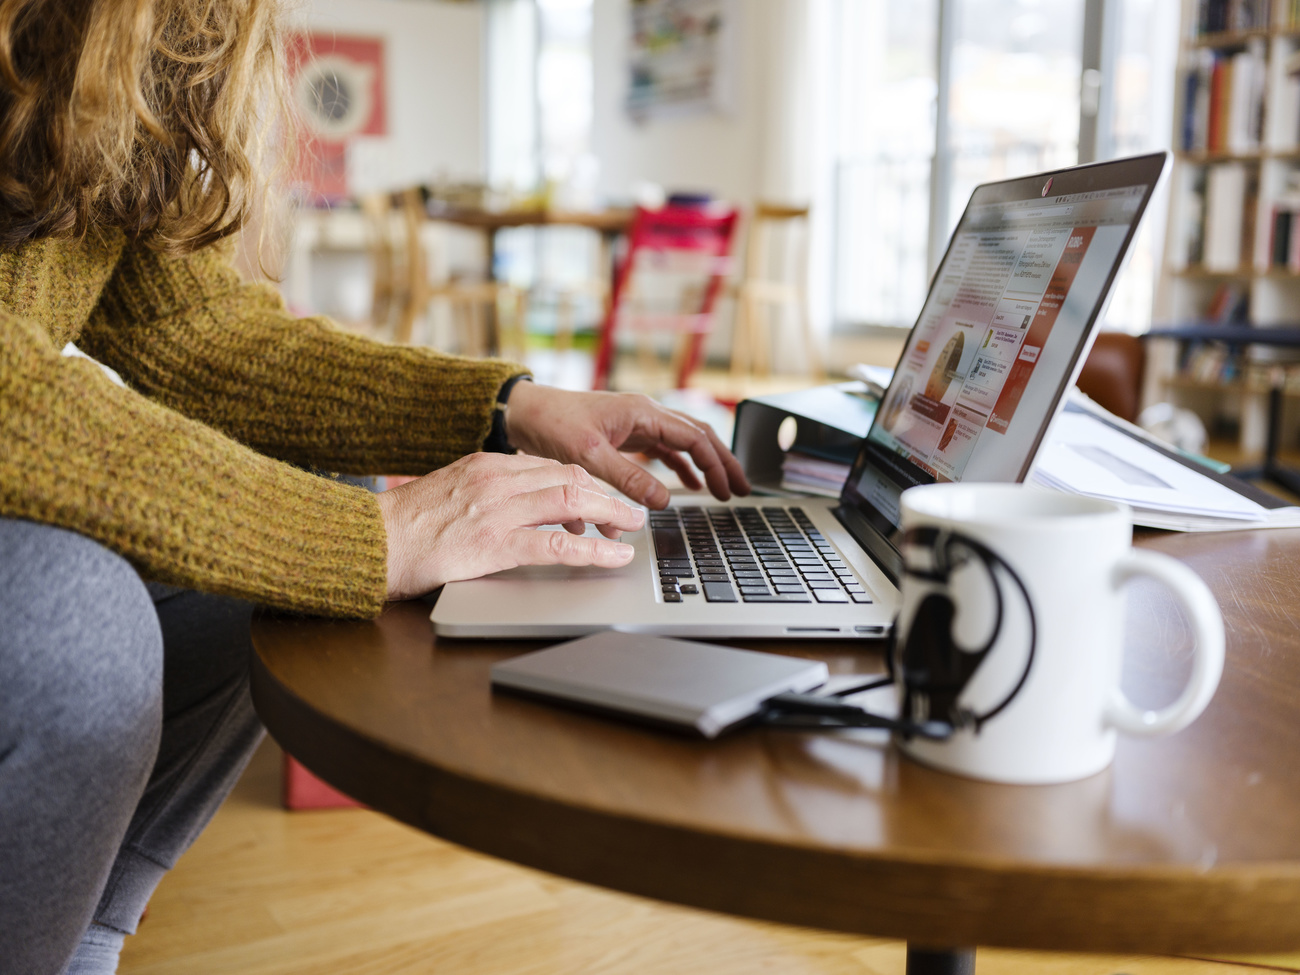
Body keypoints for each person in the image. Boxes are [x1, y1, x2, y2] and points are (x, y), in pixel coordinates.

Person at [0, 1, 749, 972]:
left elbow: (205, 338)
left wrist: (510, 406)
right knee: (74, 615)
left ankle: (86, 927)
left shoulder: (98, 74)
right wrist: (375, 540)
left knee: (317, 468)